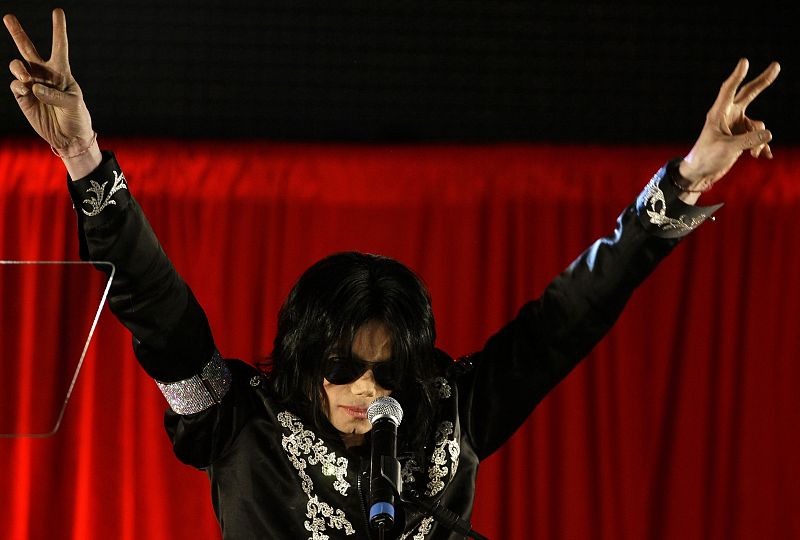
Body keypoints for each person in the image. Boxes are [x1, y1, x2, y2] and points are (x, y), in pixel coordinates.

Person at [4, 8, 781, 540]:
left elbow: (570, 315)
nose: (368, 388)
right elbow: (158, 309)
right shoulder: (237, 421)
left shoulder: (453, 414)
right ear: (304, 357)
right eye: (343, 365)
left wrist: (688, 178)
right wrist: (83, 157)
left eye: (387, 369)